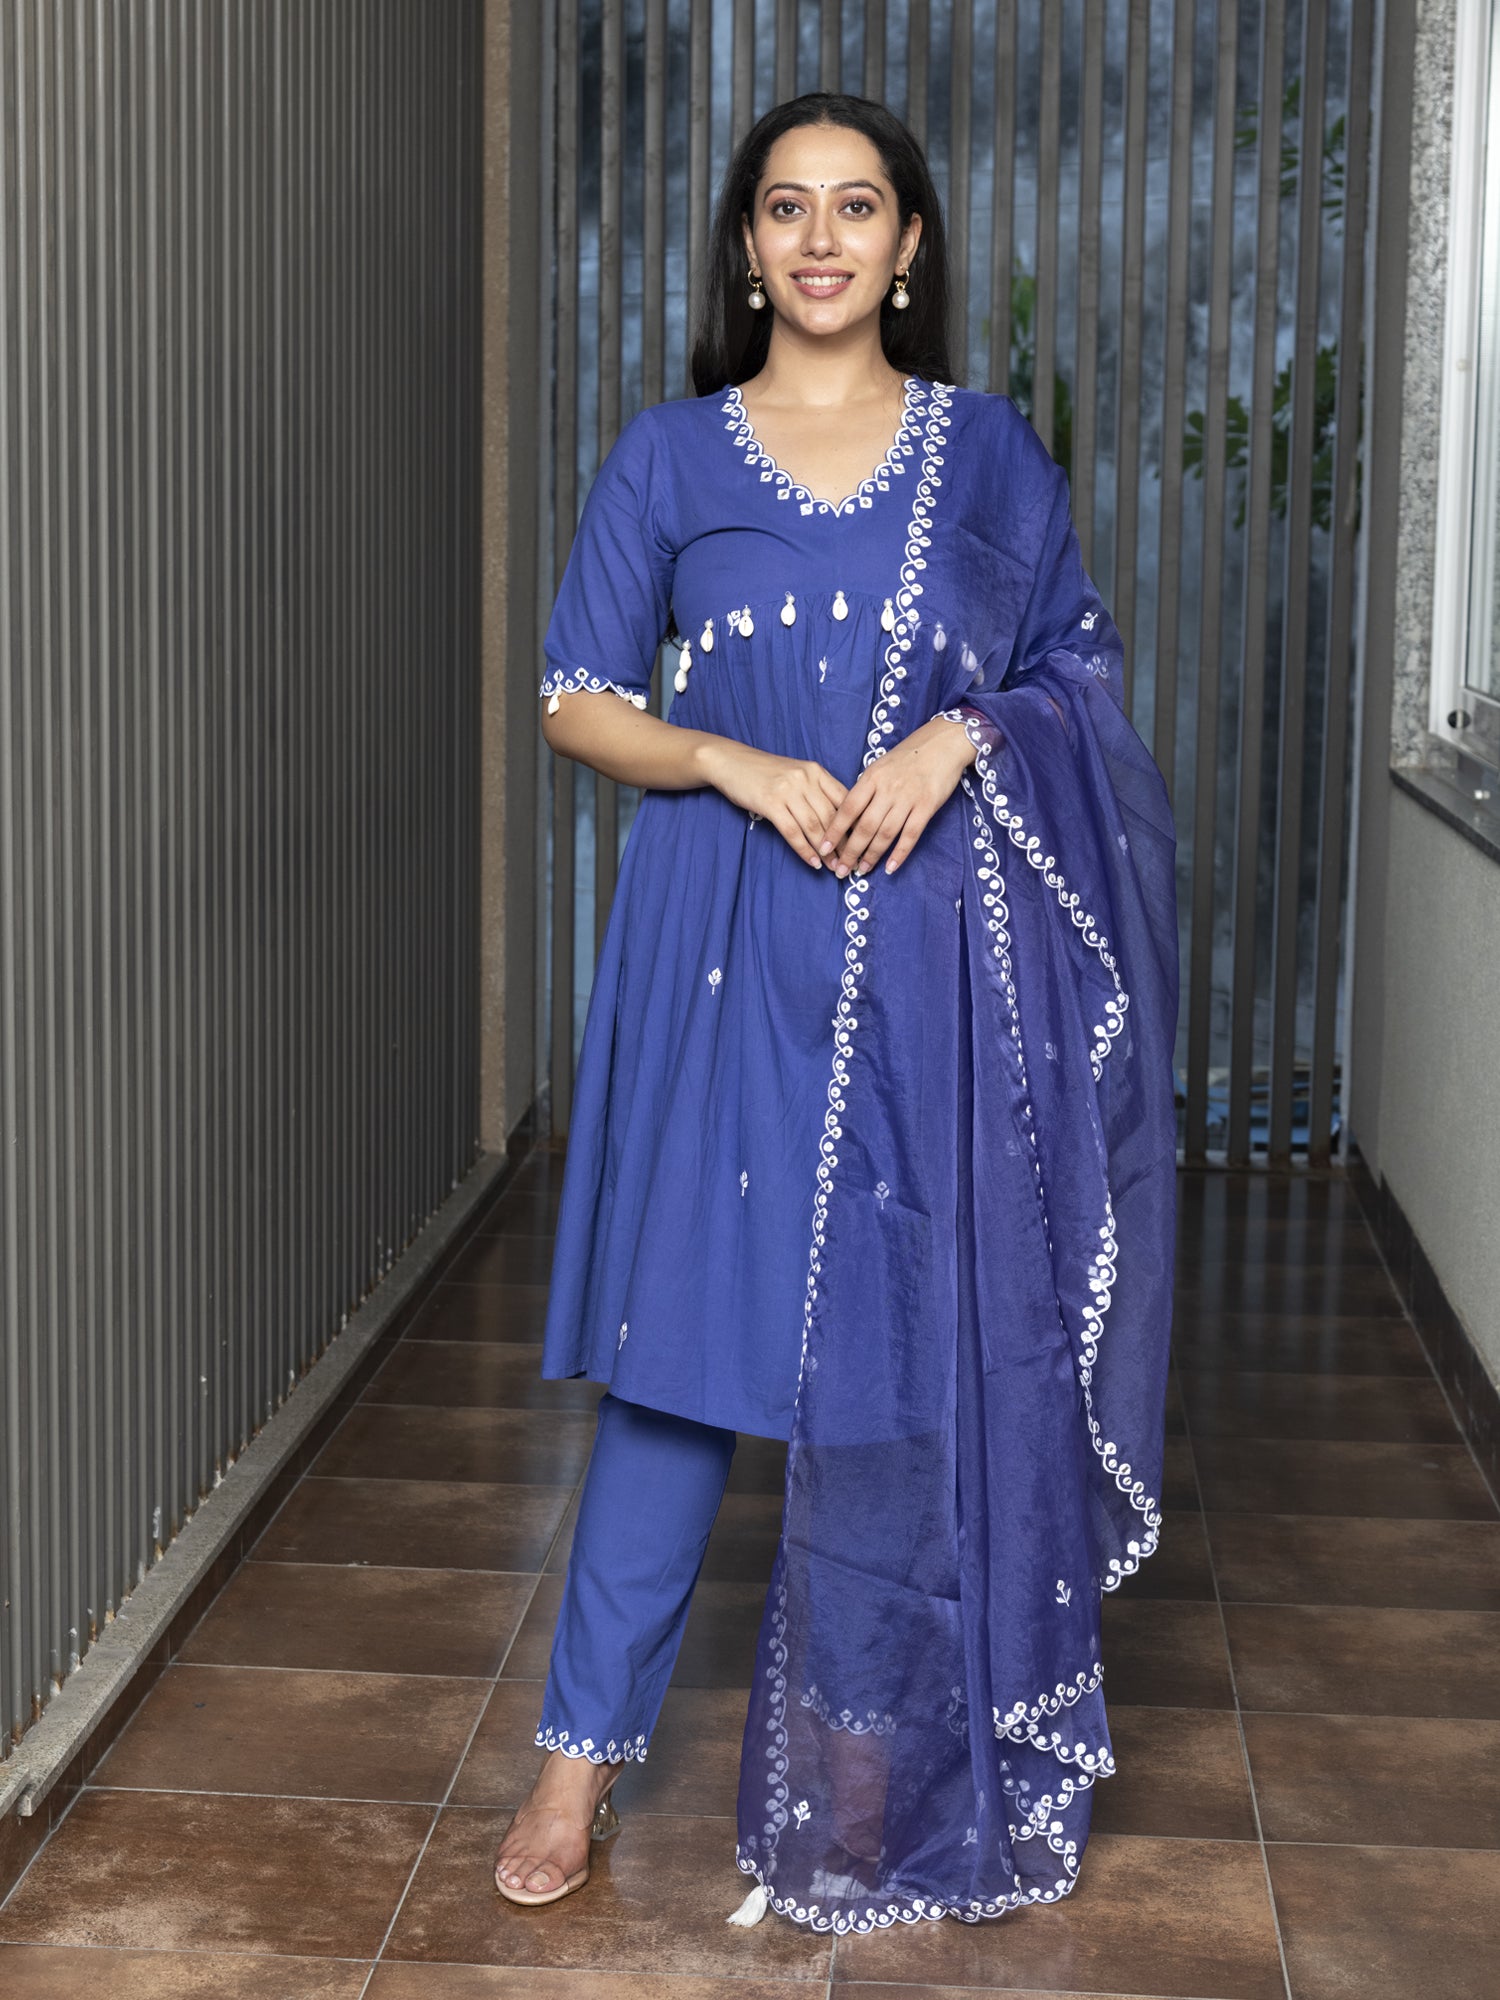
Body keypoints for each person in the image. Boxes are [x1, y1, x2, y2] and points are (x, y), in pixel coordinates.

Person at [493, 91, 1179, 1936]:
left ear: (909, 243)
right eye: (786, 209)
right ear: (746, 246)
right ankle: (576, 1756)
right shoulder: (668, 456)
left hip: (927, 962)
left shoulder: (989, 455)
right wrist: (725, 757)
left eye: (856, 208)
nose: (820, 240)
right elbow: (573, 696)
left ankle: (871, 1764)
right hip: (723, 944)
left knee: (890, 1364)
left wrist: (964, 735)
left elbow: (1080, 667)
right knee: (678, 1355)